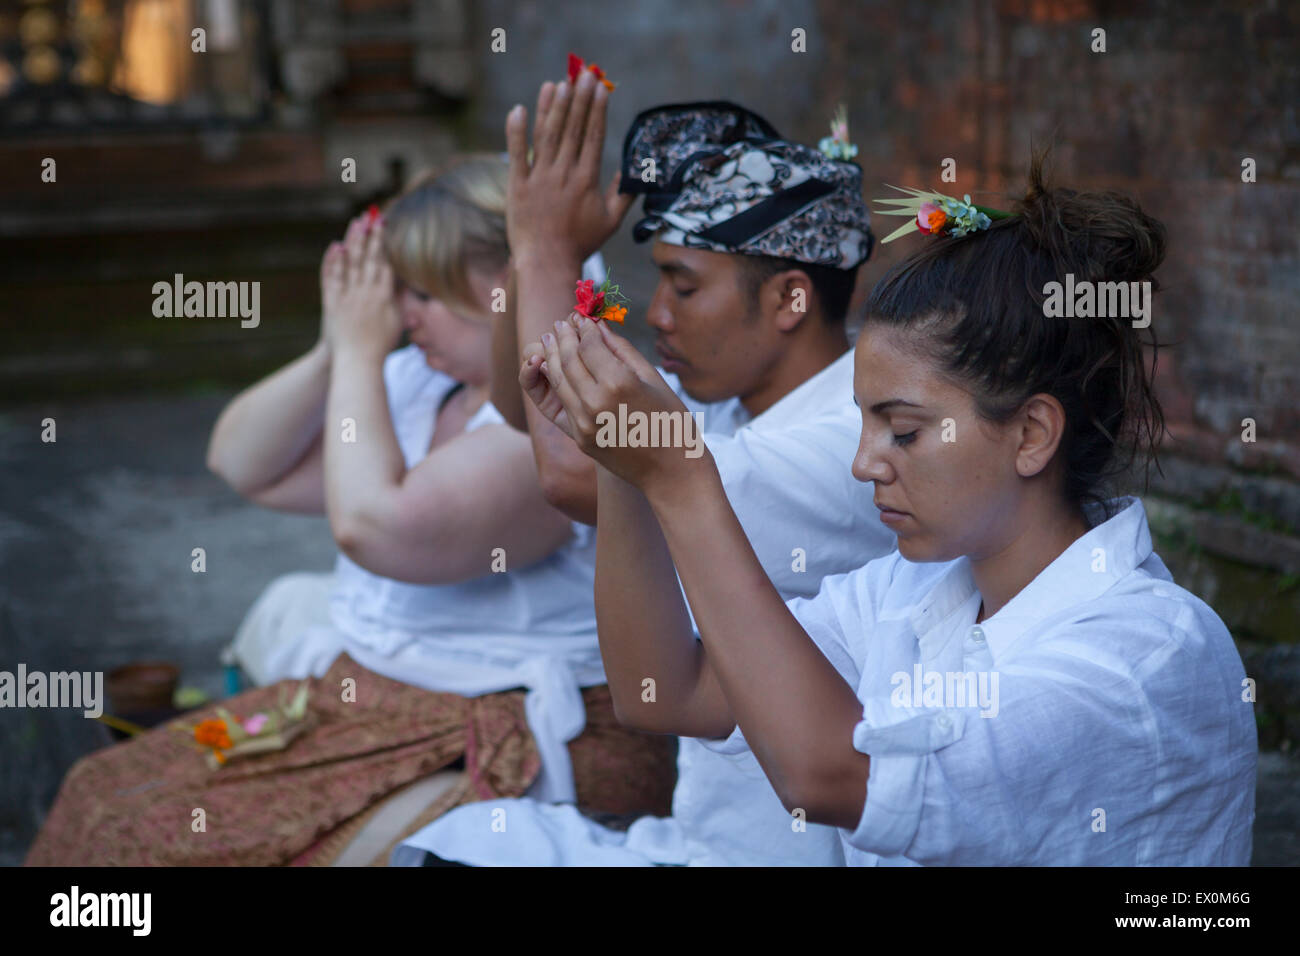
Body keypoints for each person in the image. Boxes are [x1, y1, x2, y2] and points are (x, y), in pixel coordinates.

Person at [505, 155, 1258, 865]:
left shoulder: (1147, 653)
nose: (865, 463)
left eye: (904, 431)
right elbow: (664, 693)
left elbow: (830, 778)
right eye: (864, 423)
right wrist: (620, 459)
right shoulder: (909, 595)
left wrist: (683, 481)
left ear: (1031, 435)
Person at [25, 156, 674, 868]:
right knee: (102, 793)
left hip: (506, 728)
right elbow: (245, 465)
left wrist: (363, 355)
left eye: (421, 292)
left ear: (500, 289)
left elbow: (375, 527)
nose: (401, 316)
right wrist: (336, 349)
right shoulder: (426, 383)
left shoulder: (561, 422)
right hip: (381, 705)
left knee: (158, 837)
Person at [394, 75, 896, 866]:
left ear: (791, 300)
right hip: (703, 831)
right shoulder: (733, 412)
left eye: (685, 285)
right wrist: (532, 257)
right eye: (657, 278)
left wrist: (547, 249)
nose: (656, 312)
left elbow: (569, 473)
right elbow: (529, 410)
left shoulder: (851, 441)